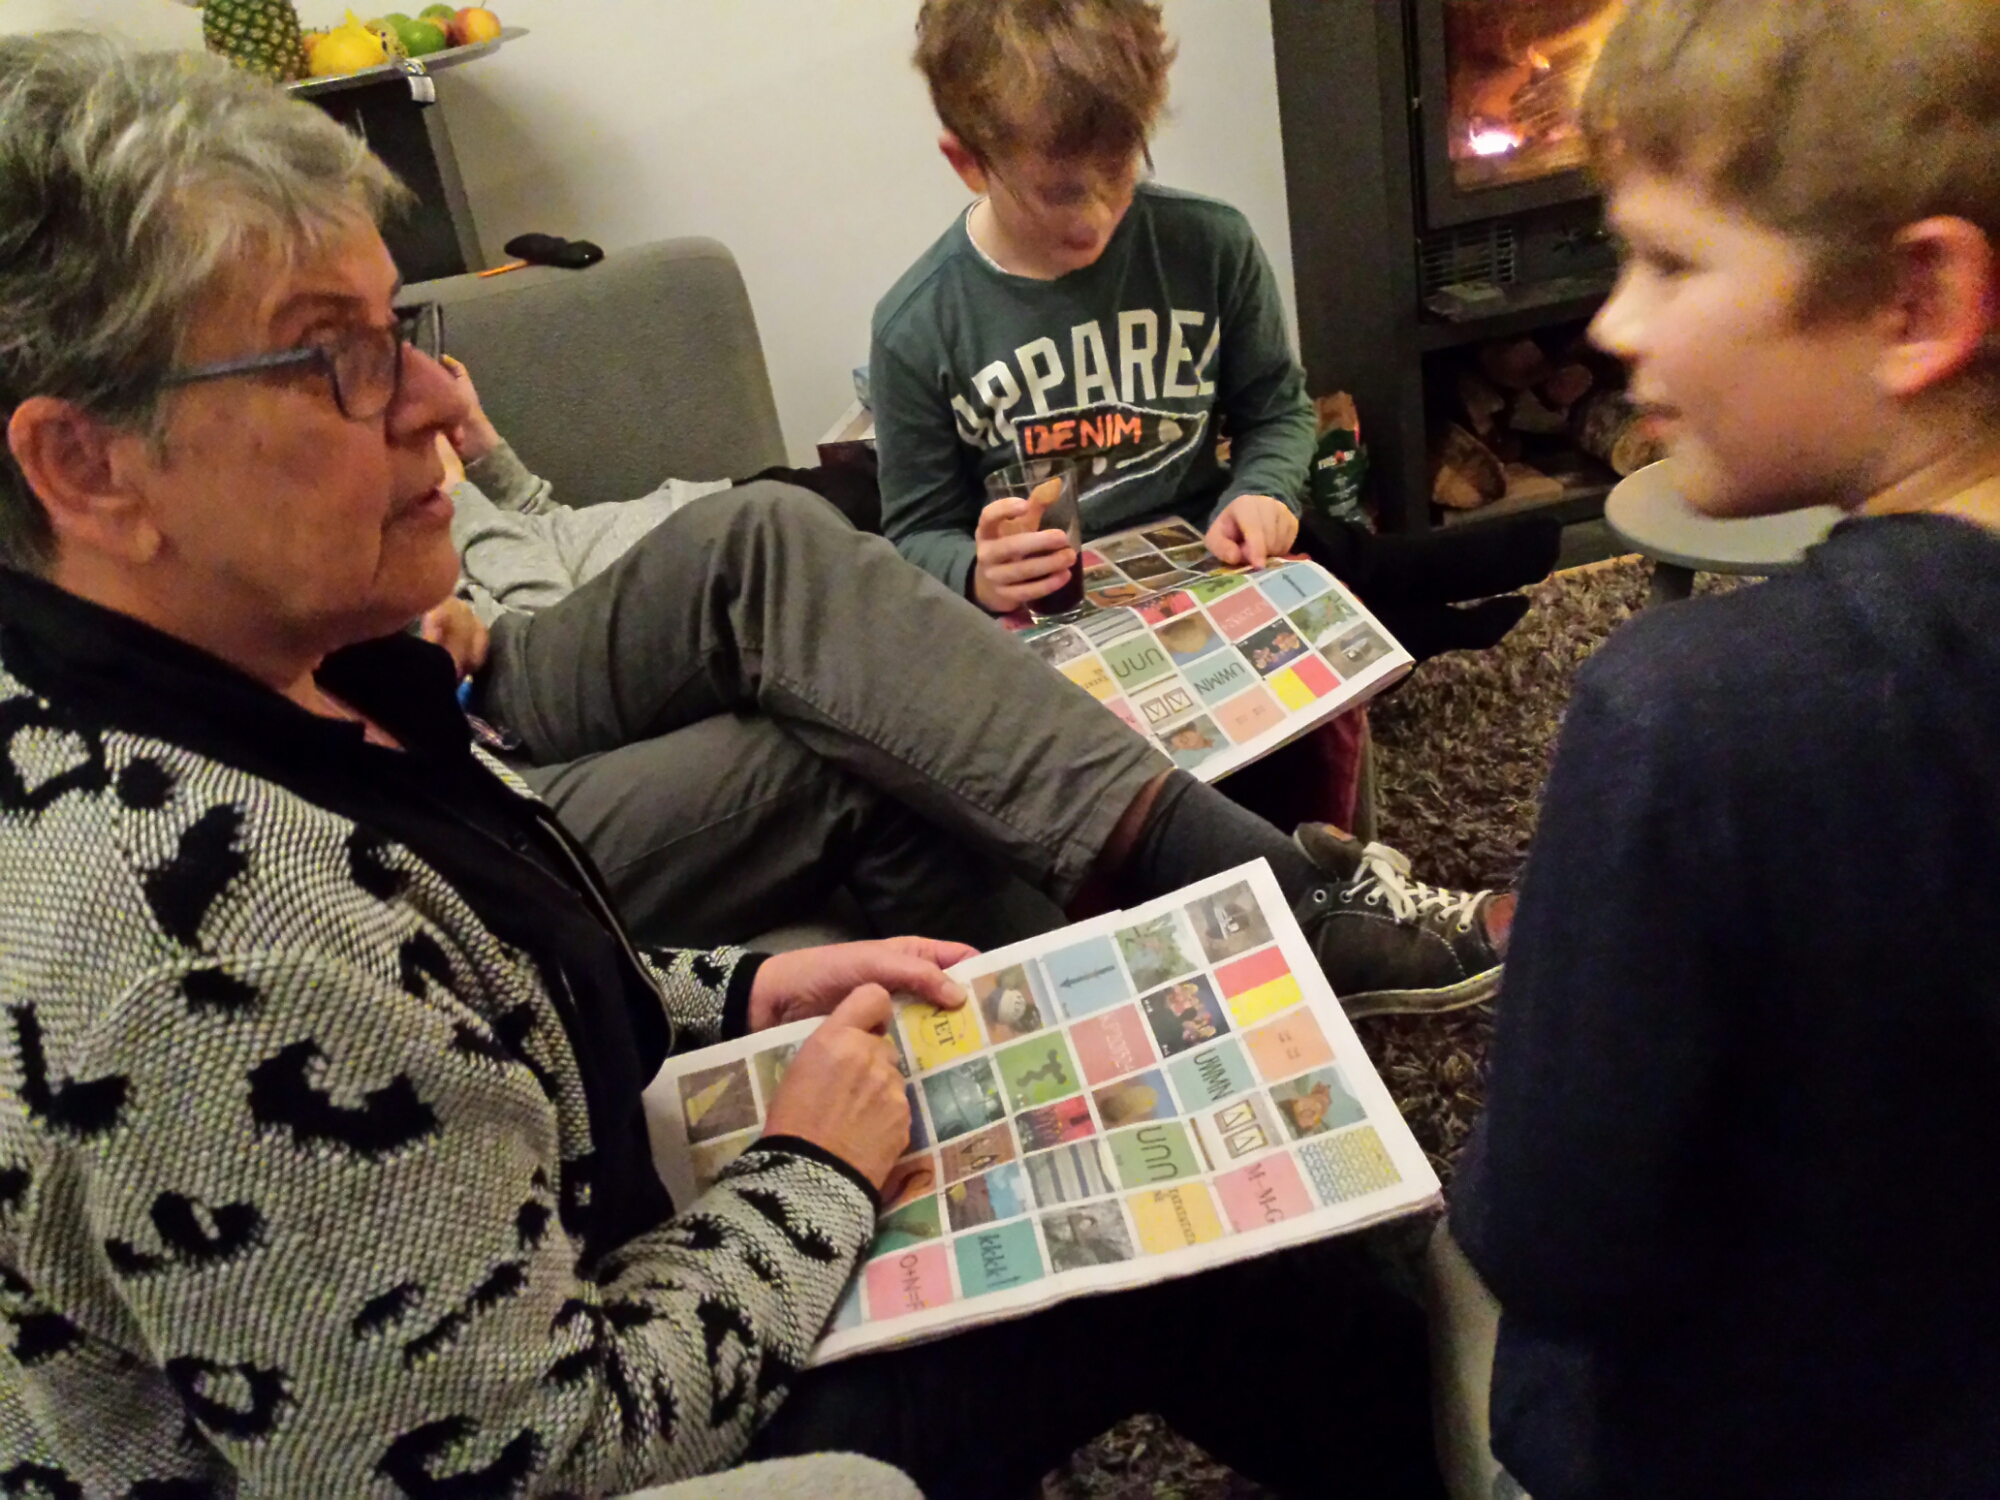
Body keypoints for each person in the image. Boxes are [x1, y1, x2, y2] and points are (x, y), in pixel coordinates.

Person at [0, 37, 1448, 1498]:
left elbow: (482, 988)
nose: (441, 402)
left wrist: (738, 992)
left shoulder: (288, 674)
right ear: (88, 466)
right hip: (601, 1408)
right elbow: (514, 1461)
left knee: (812, 621)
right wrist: (810, 1173)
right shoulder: (203, 950)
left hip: (577, 1246)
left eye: (404, 330)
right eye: (338, 360)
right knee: (1170, 1224)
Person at [1447, 3, 2000, 1497]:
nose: (1613, 326)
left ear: (1916, 301)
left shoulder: (1687, 720)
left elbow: (1548, 1240)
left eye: (1669, 262)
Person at [432, 360, 1515, 1015]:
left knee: (765, 531)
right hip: (456, 792)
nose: (426, 388)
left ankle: (1271, 896)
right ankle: (1273, 911)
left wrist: (476, 473)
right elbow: (530, 564)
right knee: (865, 729)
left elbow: (523, 559)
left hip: (495, 677)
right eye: (361, 351)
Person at [870, 0, 1556, 650]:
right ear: (968, 163)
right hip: (1060, 611)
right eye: (1059, 194)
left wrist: (1262, 492)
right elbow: (916, 532)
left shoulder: (1211, 245)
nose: (1096, 217)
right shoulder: (917, 327)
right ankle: (1418, 625)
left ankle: (1410, 576)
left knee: (1310, 544)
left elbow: (1277, 410)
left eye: (1120, 171)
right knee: (1352, 622)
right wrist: (975, 572)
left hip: (1209, 549)